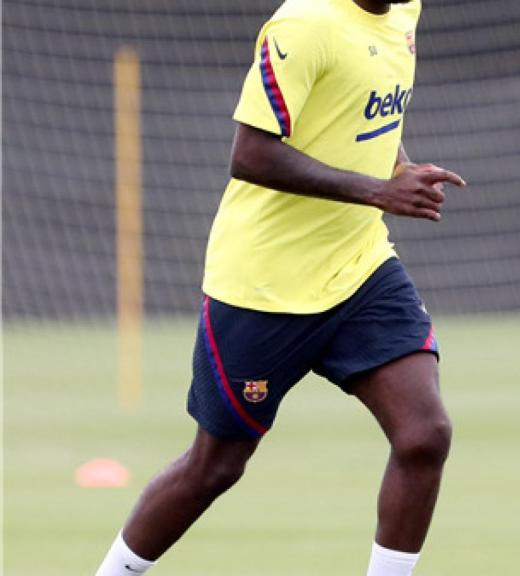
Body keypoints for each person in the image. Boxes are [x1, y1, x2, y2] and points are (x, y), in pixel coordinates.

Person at [95, 1, 465, 574]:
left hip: (359, 267)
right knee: (215, 467)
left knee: (424, 434)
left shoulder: (404, 12)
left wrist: (398, 169)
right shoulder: (305, 24)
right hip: (264, 287)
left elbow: (366, 111)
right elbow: (250, 155)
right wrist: (376, 191)